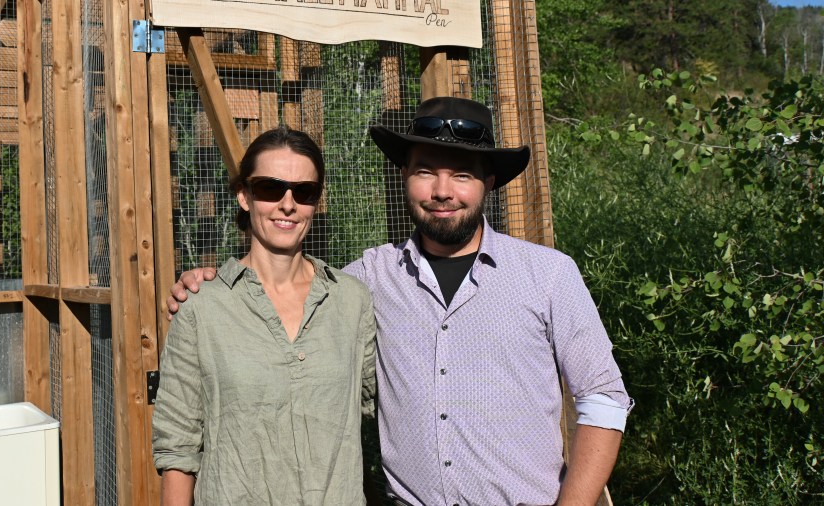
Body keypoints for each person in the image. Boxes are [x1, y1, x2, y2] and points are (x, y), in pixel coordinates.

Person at [169, 97, 632, 506]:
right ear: (405, 176)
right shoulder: (365, 281)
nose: (442, 191)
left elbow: (604, 400)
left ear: (489, 182)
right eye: (426, 171)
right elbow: (286, 288)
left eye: (462, 175)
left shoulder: (548, 275)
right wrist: (211, 283)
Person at [152, 125, 376, 506]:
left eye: (304, 192)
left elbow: (384, 403)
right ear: (244, 195)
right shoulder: (202, 308)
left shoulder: (352, 302)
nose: (288, 204)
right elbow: (178, 446)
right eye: (270, 188)